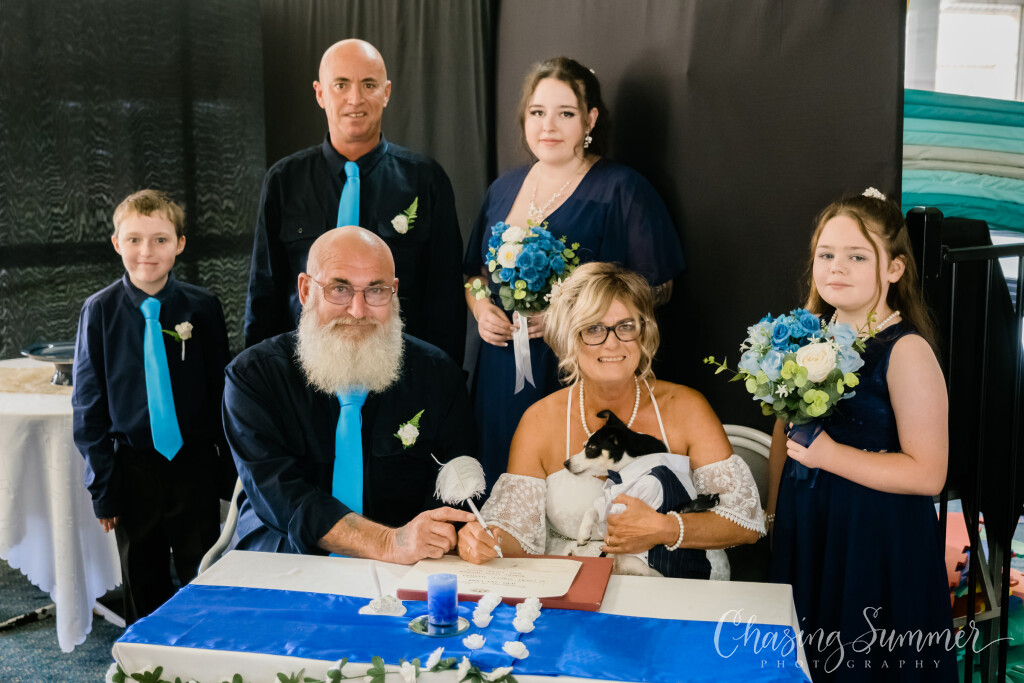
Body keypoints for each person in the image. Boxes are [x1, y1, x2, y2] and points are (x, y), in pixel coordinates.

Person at [457, 263, 763, 578]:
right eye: (593, 329)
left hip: (683, 584)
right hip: (574, 587)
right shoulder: (539, 421)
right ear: (568, 337)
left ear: (644, 332)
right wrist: (484, 541)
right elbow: (515, 536)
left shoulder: (687, 408)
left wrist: (666, 528)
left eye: (625, 326)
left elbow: (744, 523)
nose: (612, 343)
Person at [464, 57, 685, 486]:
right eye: (537, 112)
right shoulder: (502, 188)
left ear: (590, 119)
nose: (548, 126)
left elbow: (660, 288)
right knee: (502, 480)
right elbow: (474, 273)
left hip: (575, 365)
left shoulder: (621, 188)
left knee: (569, 487)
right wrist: (480, 308)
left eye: (565, 113)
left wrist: (572, 318)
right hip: (500, 365)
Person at [767, 189, 956, 680]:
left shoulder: (906, 350)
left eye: (857, 256)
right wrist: (775, 515)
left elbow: (929, 474)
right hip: (809, 529)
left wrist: (830, 456)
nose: (837, 268)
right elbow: (784, 430)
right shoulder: (804, 336)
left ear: (894, 268)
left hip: (874, 540)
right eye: (826, 255)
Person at [225, 226, 476, 560]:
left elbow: (456, 487)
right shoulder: (253, 377)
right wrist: (387, 543)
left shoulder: (437, 375)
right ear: (305, 290)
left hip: (404, 567)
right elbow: (283, 498)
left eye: (376, 290)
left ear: (394, 292)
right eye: (339, 289)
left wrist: (457, 536)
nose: (358, 311)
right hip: (281, 557)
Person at [245, 38, 465, 364]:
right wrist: (257, 377)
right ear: (320, 93)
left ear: (386, 93)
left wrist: (444, 380)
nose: (355, 98)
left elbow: (446, 300)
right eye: (341, 85)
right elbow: (264, 295)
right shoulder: (284, 181)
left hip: (400, 369)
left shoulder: (425, 180)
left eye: (369, 85)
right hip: (304, 370)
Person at [72, 189, 231, 624]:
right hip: (133, 471)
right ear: (116, 243)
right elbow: (88, 406)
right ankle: (147, 654)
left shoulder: (203, 307)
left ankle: (205, 650)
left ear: (180, 244)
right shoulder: (99, 312)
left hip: (194, 465)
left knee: (204, 572)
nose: (147, 251)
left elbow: (222, 391)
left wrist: (228, 471)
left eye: (160, 239)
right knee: (142, 581)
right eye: (135, 239)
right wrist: (104, 487)